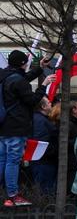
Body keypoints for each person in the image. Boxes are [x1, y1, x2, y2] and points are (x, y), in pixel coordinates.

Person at [0, 50, 53, 206]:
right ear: (23, 63)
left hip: (2, 126)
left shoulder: (5, 75)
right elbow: (33, 100)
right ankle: (13, 195)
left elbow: (22, 80)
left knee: (2, 160)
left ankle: (4, 193)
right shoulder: (18, 80)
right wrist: (43, 85)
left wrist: (39, 68)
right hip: (15, 127)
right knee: (13, 161)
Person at [30, 96, 58, 193]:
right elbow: (41, 142)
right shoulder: (40, 121)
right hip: (44, 163)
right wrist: (54, 152)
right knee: (45, 191)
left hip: (44, 161)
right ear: (43, 106)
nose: (51, 104)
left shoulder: (41, 119)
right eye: (49, 102)